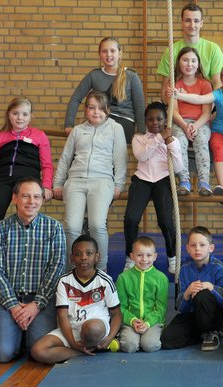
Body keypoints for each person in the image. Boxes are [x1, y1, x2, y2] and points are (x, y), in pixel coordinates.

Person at [0, 97, 54, 290]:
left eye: (24, 114)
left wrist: (46, 186)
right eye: (16, 113)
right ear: (9, 114)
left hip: (27, 181)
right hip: (3, 179)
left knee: (27, 221)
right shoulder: (0, 138)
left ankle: (28, 267)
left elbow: (47, 165)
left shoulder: (39, 136)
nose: (20, 118)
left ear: (30, 116)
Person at [0, 177, 66, 363]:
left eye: (37, 197)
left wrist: (36, 304)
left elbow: (57, 268)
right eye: (26, 196)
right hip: (9, 300)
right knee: (3, 353)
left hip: (41, 301)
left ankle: (25, 334)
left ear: (42, 199)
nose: (32, 202)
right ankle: (17, 331)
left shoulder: (54, 228)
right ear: (14, 198)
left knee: (38, 351)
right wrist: (13, 306)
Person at [54, 91, 127, 271]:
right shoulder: (78, 130)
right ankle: (71, 270)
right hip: (76, 181)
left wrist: (118, 184)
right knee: (71, 227)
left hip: (102, 181)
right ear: (86, 110)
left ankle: (101, 269)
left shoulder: (115, 128)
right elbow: (65, 158)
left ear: (107, 110)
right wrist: (58, 183)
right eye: (92, 108)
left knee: (96, 225)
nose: (96, 112)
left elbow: (120, 158)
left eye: (101, 108)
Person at [31, 235, 122, 364]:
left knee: (91, 328)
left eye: (89, 253)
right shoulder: (64, 281)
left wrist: (110, 337)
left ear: (97, 257)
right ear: (71, 258)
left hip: (96, 329)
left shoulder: (105, 280)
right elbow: (62, 316)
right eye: (78, 254)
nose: (83, 257)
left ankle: (96, 345)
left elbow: (116, 314)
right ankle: (84, 352)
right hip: (72, 330)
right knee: (38, 351)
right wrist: (73, 343)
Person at [169, 63, 223, 197]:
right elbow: (200, 99)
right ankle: (222, 185)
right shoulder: (218, 93)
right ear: (221, 79)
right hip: (218, 131)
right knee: (219, 152)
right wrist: (179, 95)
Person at [123, 102, 182, 274]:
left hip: (163, 179)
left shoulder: (173, 140)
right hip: (142, 179)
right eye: (150, 119)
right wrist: (158, 139)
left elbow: (178, 168)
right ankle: (130, 256)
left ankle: (172, 256)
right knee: (131, 219)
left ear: (165, 121)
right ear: (145, 121)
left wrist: (170, 144)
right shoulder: (138, 138)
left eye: (159, 119)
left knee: (165, 221)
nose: (155, 123)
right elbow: (142, 155)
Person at [161, 226, 223, 351]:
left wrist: (211, 287)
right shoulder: (184, 269)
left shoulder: (219, 268)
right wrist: (187, 293)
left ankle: (212, 330)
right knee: (166, 340)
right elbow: (180, 307)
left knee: (202, 294)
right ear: (188, 248)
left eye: (202, 245)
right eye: (193, 245)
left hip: (214, 315)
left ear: (211, 248)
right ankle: (204, 334)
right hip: (194, 315)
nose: (197, 248)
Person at [64, 37, 145, 144]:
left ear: (120, 53)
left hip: (124, 121)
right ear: (99, 54)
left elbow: (139, 105)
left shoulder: (131, 76)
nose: (108, 54)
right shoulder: (94, 75)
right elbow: (76, 98)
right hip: (99, 119)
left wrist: (142, 132)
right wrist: (69, 125)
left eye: (112, 51)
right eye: (104, 51)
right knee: (79, 138)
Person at [158, 2, 223, 101]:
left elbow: (218, 84)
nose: (192, 25)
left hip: (206, 105)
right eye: (187, 20)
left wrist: (208, 109)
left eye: (196, 21)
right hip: (179, 107)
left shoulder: (213, 49)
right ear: (181, 22)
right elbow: (165, 91)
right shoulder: (171, 51)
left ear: (201, 23)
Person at [170, 47, 213, 196]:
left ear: (198, 64)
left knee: (201, 140)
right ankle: (184, 180)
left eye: (193, 61)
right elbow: (173, 111)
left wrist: (195, 126)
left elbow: (207, 112)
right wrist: (184, 126)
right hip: (180, 122)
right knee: (178, 141)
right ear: (179, 63)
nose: (189, 64)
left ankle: (204, 182)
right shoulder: (175, 84)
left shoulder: (205, 84)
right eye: (185, 60)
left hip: (200, 122)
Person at [115, 236, 169, 353]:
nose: (144, 259)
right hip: (130, 322)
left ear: (155, 257)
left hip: (152, 322)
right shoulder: (123, 278)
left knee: (150, 346)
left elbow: (161, 307)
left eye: (149, 255)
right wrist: (132, 320)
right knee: (129, 347)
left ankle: (148, 336)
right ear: (132, 256)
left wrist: (148, 322)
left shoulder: (161, 278)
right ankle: (127, 337)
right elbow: (121, 307)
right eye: (139, 255)